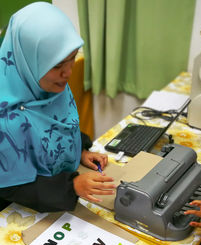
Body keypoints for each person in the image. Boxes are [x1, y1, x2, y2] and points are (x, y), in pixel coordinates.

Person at [0, 2, 116, 213]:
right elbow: (14, 188)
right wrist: (71, 187)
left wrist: (78, 151)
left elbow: (57, 128)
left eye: (72, 59)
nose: (68, 72)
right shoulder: (6, 118)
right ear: (28, 61)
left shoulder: (48, 85)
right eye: (56, 65)